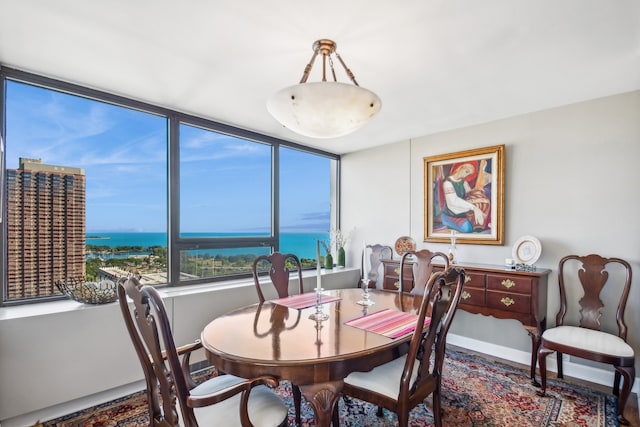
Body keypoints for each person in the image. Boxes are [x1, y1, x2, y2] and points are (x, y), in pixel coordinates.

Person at [440, 161, 491, 233]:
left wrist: (477, 191)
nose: (465, 175)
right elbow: (453, 201)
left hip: (463, 212)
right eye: (466, 171)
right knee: (468, 229)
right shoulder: (447, 183)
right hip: (451, 214)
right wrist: (474, 208)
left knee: (476, 225)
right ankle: (447, 223)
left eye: (468, 174)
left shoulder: (464, 182)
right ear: (460, 167)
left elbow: (469, 194)